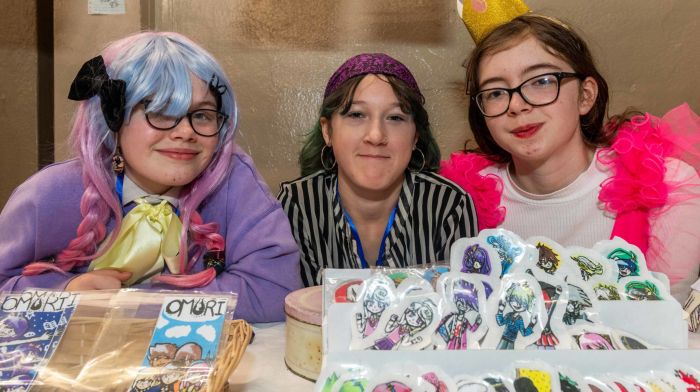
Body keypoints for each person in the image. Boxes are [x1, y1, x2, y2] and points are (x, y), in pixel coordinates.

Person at [0, 32, 301, 323]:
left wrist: (137, 305)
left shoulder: (233, 181)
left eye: (202, 115)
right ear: (113, 117)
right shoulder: (49, 195)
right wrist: (65, 293)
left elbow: (275, 290)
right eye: (160, 111)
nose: (185, 131)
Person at [440, 13, 700, 307]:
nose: (517, 105)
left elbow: (666, 327)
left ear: (585, 96)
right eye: (496, 92)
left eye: (541, 81)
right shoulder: (459, 202)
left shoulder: (666, 187)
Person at [278, 53, 478, 286]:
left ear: (415, 137)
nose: (376, 136)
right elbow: (299, 310)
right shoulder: (298, 203)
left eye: (395, 117)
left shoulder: (449, 205)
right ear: (327, 131)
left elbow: (462, 309)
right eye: (357, 115)